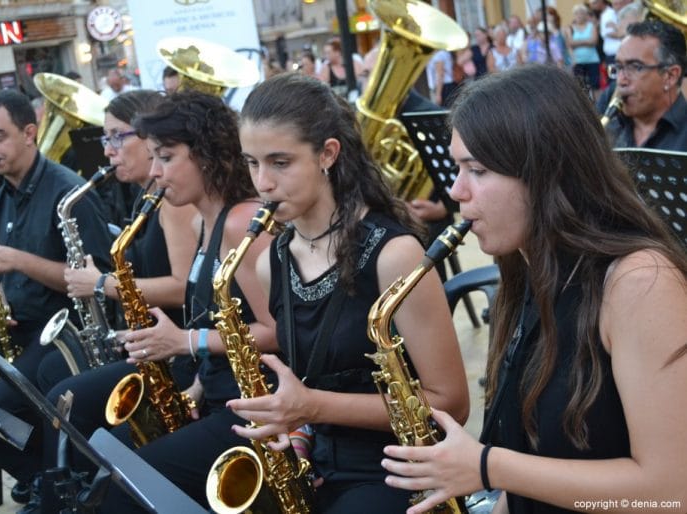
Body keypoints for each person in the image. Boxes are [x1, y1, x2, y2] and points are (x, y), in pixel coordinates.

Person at [380, 64, 687, 513]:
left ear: (546, 172)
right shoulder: (527, 269)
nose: (455, 190)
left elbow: (670, 491)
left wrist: (485, 467)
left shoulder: (641, 283)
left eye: (477, 170)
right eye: (457, 167)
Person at [228, 73, 468, 513]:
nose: (262, 183)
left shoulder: (394, 253)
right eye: (251, 163)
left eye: (280, 163)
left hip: (401, 471)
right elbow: (307, 379)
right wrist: (296, 434)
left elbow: (450, 402)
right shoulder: (270, 261)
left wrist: (311, 408)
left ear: (328, 154)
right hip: (320, 462)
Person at [13, 89, 200, 513]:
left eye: (118, 137)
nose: (109, 150)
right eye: (105, 139)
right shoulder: (147, 196)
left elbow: (182, 286)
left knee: (67, 396)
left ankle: (76, 498)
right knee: (60, 387)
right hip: (151, 341)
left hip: (173, 347)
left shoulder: (172, 202)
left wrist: (103, 284)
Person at [97, 89, 276, 512]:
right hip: (220, 395)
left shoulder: (240, 222)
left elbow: (277, 332)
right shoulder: (206, 217)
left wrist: (186, 343)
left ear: (207, 155)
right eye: (153, 157)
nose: (155, 171)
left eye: (167, 156)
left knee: (125, 490)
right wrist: (195, 387)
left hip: (254, 409)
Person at [0, 89, 113, 498]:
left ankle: (54, 484)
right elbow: (4, 272)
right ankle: (41, 475)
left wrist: (15, 259)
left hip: (65, 331)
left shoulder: (69, 194)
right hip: (19, 326)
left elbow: (99, 281)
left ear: (30, 133)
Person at [604, 19, 687, 149]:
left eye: (636, 67)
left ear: (670, 76)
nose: (621, 80)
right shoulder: (610, 129)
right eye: (619, 67)